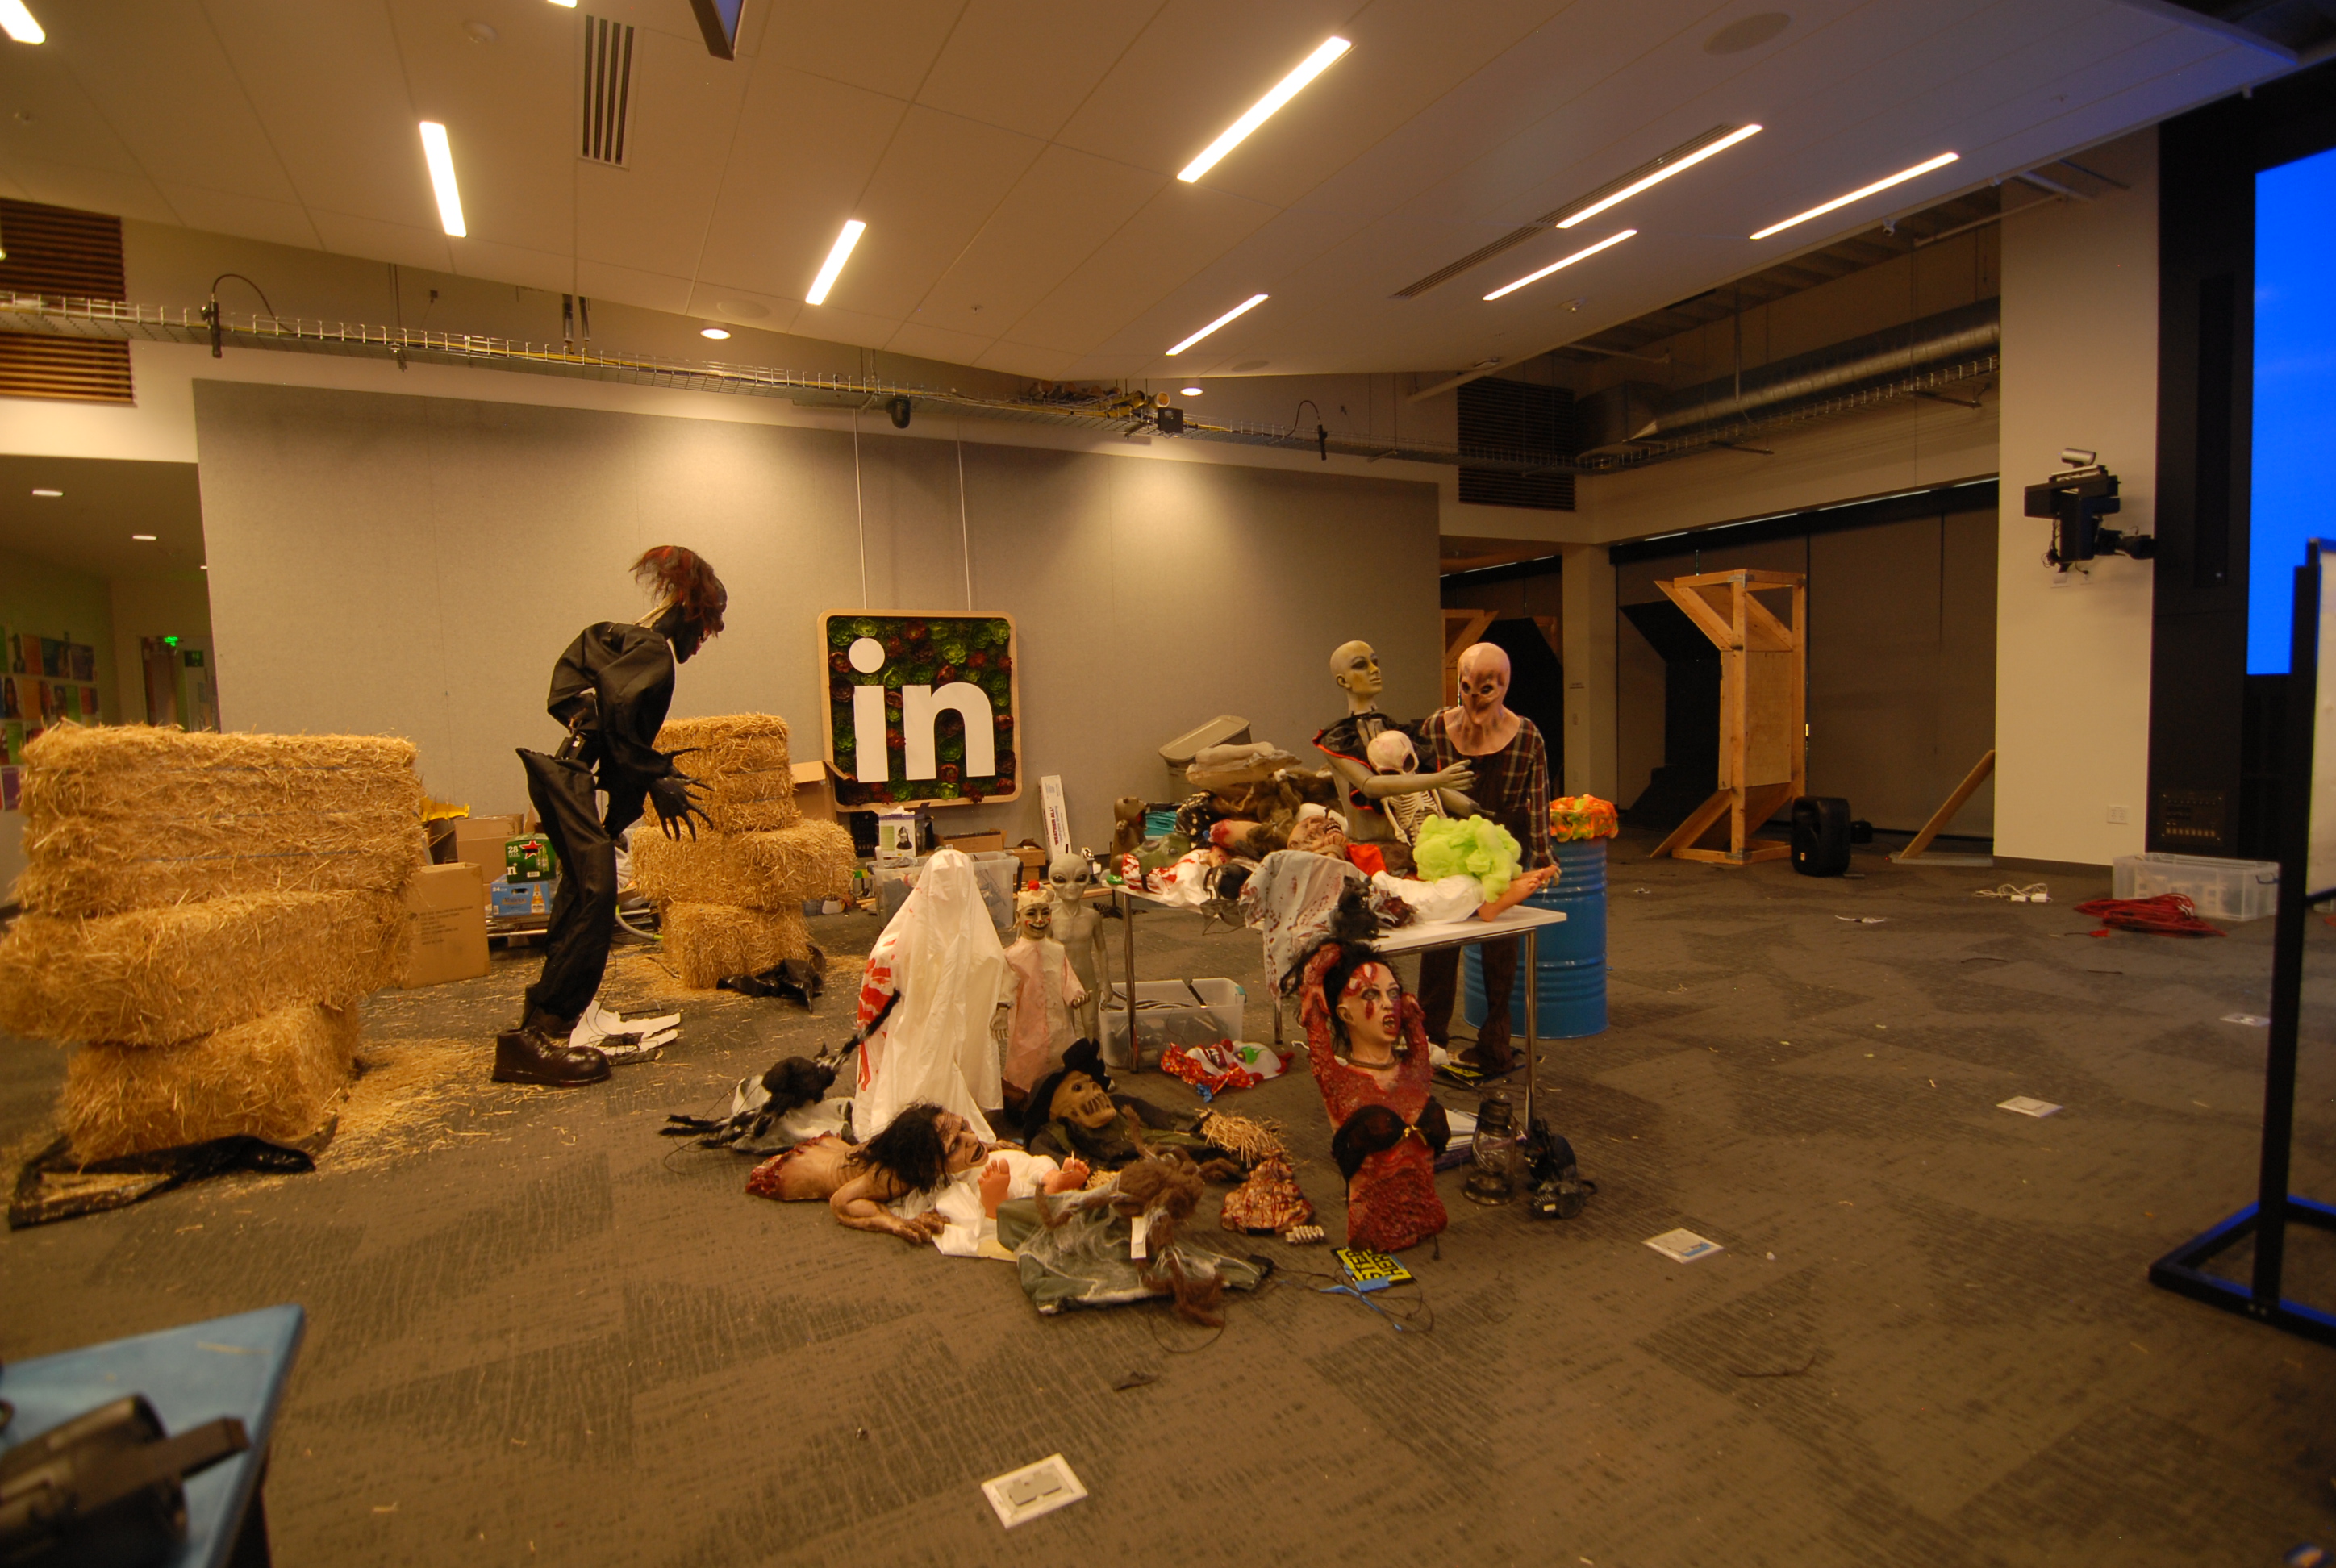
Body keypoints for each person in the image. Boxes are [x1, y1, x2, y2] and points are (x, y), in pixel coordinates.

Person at [495, 546, 724, 1087]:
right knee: (595, 894)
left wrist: (634, 763)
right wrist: (655, 774)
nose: (703, 641)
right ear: (689, 611)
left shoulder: (624, 638)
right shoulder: (652, 650)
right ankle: (535, 1039)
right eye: (706, 627)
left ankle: (545, 1020)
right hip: (571, 779)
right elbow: (620, 717)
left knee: (583, 891)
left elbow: (580, 695)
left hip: (566, 777)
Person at [1415, 642, 1553, 1075]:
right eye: (1466, 687)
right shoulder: (1436, 728)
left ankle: (1494, 1045)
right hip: (1450, 844)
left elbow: (1538, 800)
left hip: (1503, 848)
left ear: (1505, 685)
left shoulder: (1526, 737)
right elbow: (1419, 790)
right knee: (1438, 943)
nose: (1474, 699)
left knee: (1501, 949)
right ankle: (1428, 1042)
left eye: (1487, 688)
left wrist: (1542, 856)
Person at [1298, 941, 1449, 1253]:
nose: (1387, 1005)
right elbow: (1313, 1010)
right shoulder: (1338, 1082)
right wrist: (1323, 968)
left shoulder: (1416, 1070)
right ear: (1345, 1014)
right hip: (1371, 1232)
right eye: (1370, 995)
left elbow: (1417, 1037)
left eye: (1393, 994)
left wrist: (1413, 1021)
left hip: (1426, 1219)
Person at [853, 849, 1010, 1141]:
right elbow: (884, 974)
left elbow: (991, 964)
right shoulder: (901, 936)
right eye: (942, 880)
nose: (949, 890)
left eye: (956, 881)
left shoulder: (973, 929)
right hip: (911, 1024)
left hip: (952, 1025)